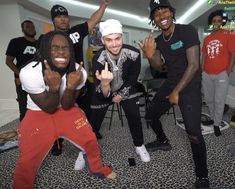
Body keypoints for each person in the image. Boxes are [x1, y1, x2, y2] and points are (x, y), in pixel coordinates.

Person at [13, 31, 116, 189]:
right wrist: (54, 89)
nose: (61, 51)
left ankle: (97, 168)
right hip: (39, 112)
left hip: (66, 109)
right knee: (28, 157)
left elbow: (67, 105)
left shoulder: (78, 72)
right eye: (54, 48)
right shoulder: (29, 72)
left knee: (90, 140)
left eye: (65, 48)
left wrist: (70, 86)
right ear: (45, 50)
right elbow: (48, 107)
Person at [138, 0, 209, 188]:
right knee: (151, 115)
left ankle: (202, 176)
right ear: (153, 19)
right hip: (171, 83)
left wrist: (177, 92)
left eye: (165, 11)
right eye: (157, 13)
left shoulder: (187, 31)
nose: (162, 16)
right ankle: (162, 140)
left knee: (193, 133)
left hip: (190, 84)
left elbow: (194, 65)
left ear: (172, 12)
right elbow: (159, 67)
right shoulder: (159, 40)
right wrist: (151, 55)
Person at [48, 0, 111, 156]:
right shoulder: (48, 38)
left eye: (65, 16)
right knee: (57, 113)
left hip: (80, 81)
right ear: (53, 20)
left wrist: (102, 6)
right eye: (58, 17)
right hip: (60, 83)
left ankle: (90, 134)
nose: (62, 19)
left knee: (87, 111)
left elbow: (93, 20)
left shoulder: (75, 32)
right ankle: (57, 143)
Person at [89, 19, 150, 163]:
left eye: (118, 38)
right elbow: (99, 87)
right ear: (103, 40)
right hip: (103, 91)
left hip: (127, 90)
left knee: (134, 116)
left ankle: (139, 145)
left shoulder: (134, 54)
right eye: (109, 40)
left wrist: (121, 95)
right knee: (94, 121)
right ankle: (86, 150)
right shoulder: (98, 58)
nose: (114, 44)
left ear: (122, 37)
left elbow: (133, 77)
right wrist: (106, 86)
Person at [201, 9, 235, 136]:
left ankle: (217, 124)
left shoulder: (229, 35)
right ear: (211, 23)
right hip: (207, 73)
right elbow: (204, 55)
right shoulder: (207, 38)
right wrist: (202, 69)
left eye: (219, 21)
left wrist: (228, 70)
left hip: (221, 73)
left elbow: (233, 54)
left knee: (219, 100)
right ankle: (212, 117)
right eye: (214, 21)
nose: (216, 23)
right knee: (209, 99)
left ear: (222, 22)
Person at [5, 20, 37, 121]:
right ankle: (24, 133)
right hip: (22, 81)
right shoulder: (16, 42)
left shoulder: (40, 44)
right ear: (23, 29)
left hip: (38, 80)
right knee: (24, 108)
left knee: (38, 107)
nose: (31, 28)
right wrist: (21, 76)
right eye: (27, 27)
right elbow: (9, 61)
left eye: (32, 26)